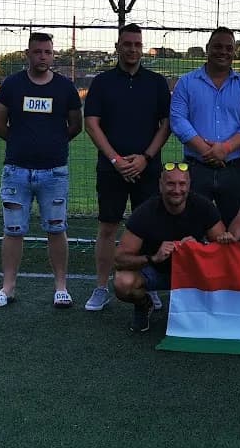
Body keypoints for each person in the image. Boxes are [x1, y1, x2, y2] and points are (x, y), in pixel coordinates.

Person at [0, 31, 82, 309]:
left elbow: (76, 125)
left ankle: (61, 287)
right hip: (16, 171)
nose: (43, 57)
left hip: (54, 173)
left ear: (53, 55)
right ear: (27, 54)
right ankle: (8, 287)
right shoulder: (12, 85)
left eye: (47, 52)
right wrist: (21, 142)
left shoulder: (65, 88)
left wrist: (52, 143)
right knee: (13, 230)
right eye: (37, 51)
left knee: (56, 227)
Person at [82, 23, 171, 312]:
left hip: (148, 168)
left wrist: (145, 157)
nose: (132, 49)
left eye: (137, 44)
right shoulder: (102, 82)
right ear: (117, 47)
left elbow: (166, 124)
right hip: (112, 169)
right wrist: (115, 160)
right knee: (108, 227)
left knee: (150, 228)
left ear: (142, 47)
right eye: (127, 44)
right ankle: (100, 287)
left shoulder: (156, 82)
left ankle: (149, 285)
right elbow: (91, 124)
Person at [113, 162, 226, 332]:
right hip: (156, 271)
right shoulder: (145, 212)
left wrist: (200, 248)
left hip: (193, 272)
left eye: (182, 184)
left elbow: (224, 249)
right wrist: (153, 257)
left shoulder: (203, 207)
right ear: (160, 185)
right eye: (171, 184)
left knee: (223, 271)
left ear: (189, 185)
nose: (177, 190)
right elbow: (119, 260)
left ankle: (206, 309)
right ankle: (144, 304)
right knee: (123, 283)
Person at [169, 26, 240, 226]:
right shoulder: (186, 83)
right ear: (207, 48)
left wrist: (225, 148)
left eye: (229, 48)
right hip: (195, 168)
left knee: (233, 230)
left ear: (234, 51)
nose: (223, 52)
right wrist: (207, 151)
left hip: (233, 170)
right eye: (218, 46)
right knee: (192, 228)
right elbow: (178, 120)